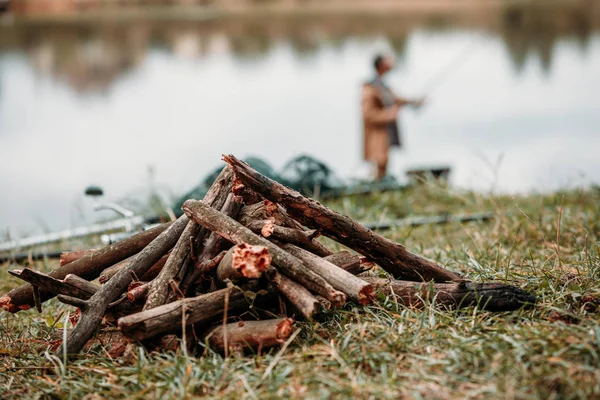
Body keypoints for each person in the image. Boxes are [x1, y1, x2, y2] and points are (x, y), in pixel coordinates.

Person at [362, 54, 425, 180]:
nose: (391, 64)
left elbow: (397, 99)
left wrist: (415, 102)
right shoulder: (370, 88)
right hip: (376, 136)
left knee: (384, 164)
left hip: (386, 135)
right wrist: (389, 114)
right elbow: (368, 115)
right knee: (378, 165)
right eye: (387, 61)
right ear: (380, 65)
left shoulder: (383, 85)